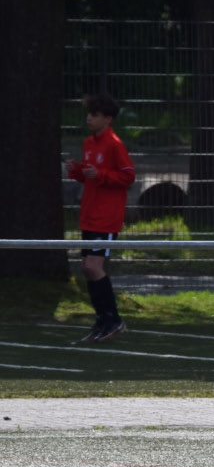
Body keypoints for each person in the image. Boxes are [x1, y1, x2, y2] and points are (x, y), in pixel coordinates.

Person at [64, 92, 136, 343]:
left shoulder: (114, 144)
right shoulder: (88, 143)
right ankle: (102, 320)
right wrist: (77, 171)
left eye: (95, 115)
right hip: (89, 215)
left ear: (108, 119)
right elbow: (90, 177)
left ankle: (113, 319)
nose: (89, 118)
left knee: (93, 266)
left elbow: (128, 176)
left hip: (106, 217)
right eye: (89, 114)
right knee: (87, 268)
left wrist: (102, 174)